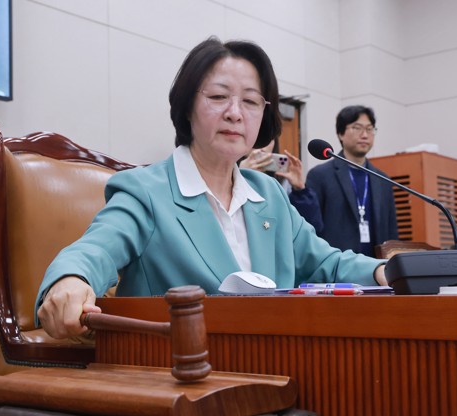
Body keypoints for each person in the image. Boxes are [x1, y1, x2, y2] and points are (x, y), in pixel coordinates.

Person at [35, 37, 387, 339]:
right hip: (175, 373)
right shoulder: (146, 190)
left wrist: (386, 270)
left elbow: (327, 264)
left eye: (251, 101)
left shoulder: (269, 194)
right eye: (219, 97)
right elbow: (95, 249)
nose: (235, 113)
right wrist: (71, 279)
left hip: (274, 366)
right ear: (187, 107)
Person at [304, 105, 398, 256]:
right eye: (357, 128)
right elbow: (311, 227)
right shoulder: (320, 175)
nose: (365, 135)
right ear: (341, 133)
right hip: (337, 264)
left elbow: (391, 230)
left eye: (369, 129)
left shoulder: (382, 180)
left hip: (377, 265)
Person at [239, 140, 323, 230]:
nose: (262, 147)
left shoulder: (284, 179)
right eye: (259, 138)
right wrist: (239, 177)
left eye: (268, 138)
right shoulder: (234, 173)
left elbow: (312, 227)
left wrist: (300, 190)